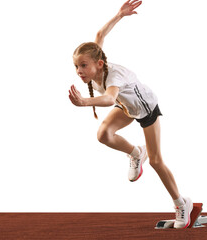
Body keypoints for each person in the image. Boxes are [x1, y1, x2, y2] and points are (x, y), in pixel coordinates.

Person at [69, 0, 193, 228]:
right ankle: (136, 153)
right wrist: (119, 14)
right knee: (104, 135)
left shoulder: (113, 76)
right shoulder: (96, 60)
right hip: (127, 107)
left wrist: (85, 101)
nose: (79, 71)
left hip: (146, 109)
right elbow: (99, 34)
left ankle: (181, 202)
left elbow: (108, 99)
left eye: (83, 66)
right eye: (76, 66)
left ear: (98, 63)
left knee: (156, 161)